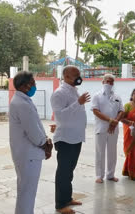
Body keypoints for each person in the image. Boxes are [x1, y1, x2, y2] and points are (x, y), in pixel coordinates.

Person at [9, 71, 53, 214]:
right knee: (27, 191)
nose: (34, 86)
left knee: (26, 189)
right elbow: (33, 132)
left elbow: (35, 126)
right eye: (32, 83)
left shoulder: (21, 101)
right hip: (29, 155)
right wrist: (45, 144)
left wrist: (44, 140)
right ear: (24, 85)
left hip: (27, 153)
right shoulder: (22, 104)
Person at [50, 65, 90, 214]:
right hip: (65, 138)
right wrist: (78, 103)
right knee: (63, 172)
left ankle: (67, 198)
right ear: (66, 76)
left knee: (69, 171)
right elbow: (60, 116)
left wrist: (78, 103)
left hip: (76, 137)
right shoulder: (59, 94)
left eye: (79, 74)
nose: (79, 77)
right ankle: (60, 205)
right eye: (75, 75)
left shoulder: (74, 91)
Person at [91, 74, 124, 184]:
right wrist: (110, 120)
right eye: (107, 81)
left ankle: (110, 175)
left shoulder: (117, 97)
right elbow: (96, 111)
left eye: (111, 82)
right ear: (102, 82)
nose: (109, 84)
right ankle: (99, 176)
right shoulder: (97, 96)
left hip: (113, 129)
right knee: (100, 152)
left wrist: (115, 122)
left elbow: (121, 111)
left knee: (112, 152)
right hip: (101, 128)